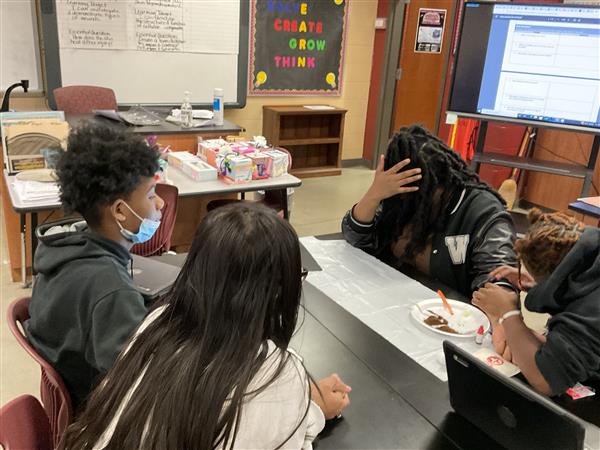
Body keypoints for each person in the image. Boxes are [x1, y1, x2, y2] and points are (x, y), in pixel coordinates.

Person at [60, 202, 351, 450]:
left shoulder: (158, 319)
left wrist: (303, 403)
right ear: (277, 291)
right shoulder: (275, 373)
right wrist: (312, 410)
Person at [25, 124, 164, 409]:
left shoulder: (60, 248)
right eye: (151, 195)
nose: (160, 202)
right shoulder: (111, 291)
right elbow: (139, 383)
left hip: (74, 388)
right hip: (95, 412)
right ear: (120, 211)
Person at [342, 125, 518, 298]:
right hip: (395, 295)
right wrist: (374, 194)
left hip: (448, 310)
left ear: (442, 185)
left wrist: (502, 299)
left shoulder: (483, 212)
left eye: (418, 195)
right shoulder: (399, 197)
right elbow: (355, 237)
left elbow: (500, 280)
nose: (408, 203)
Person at [473, 209, 600, 396]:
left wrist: (509, 313)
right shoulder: (589, 258)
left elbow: (547, 380)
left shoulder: (592, 309)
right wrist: (539, 286)